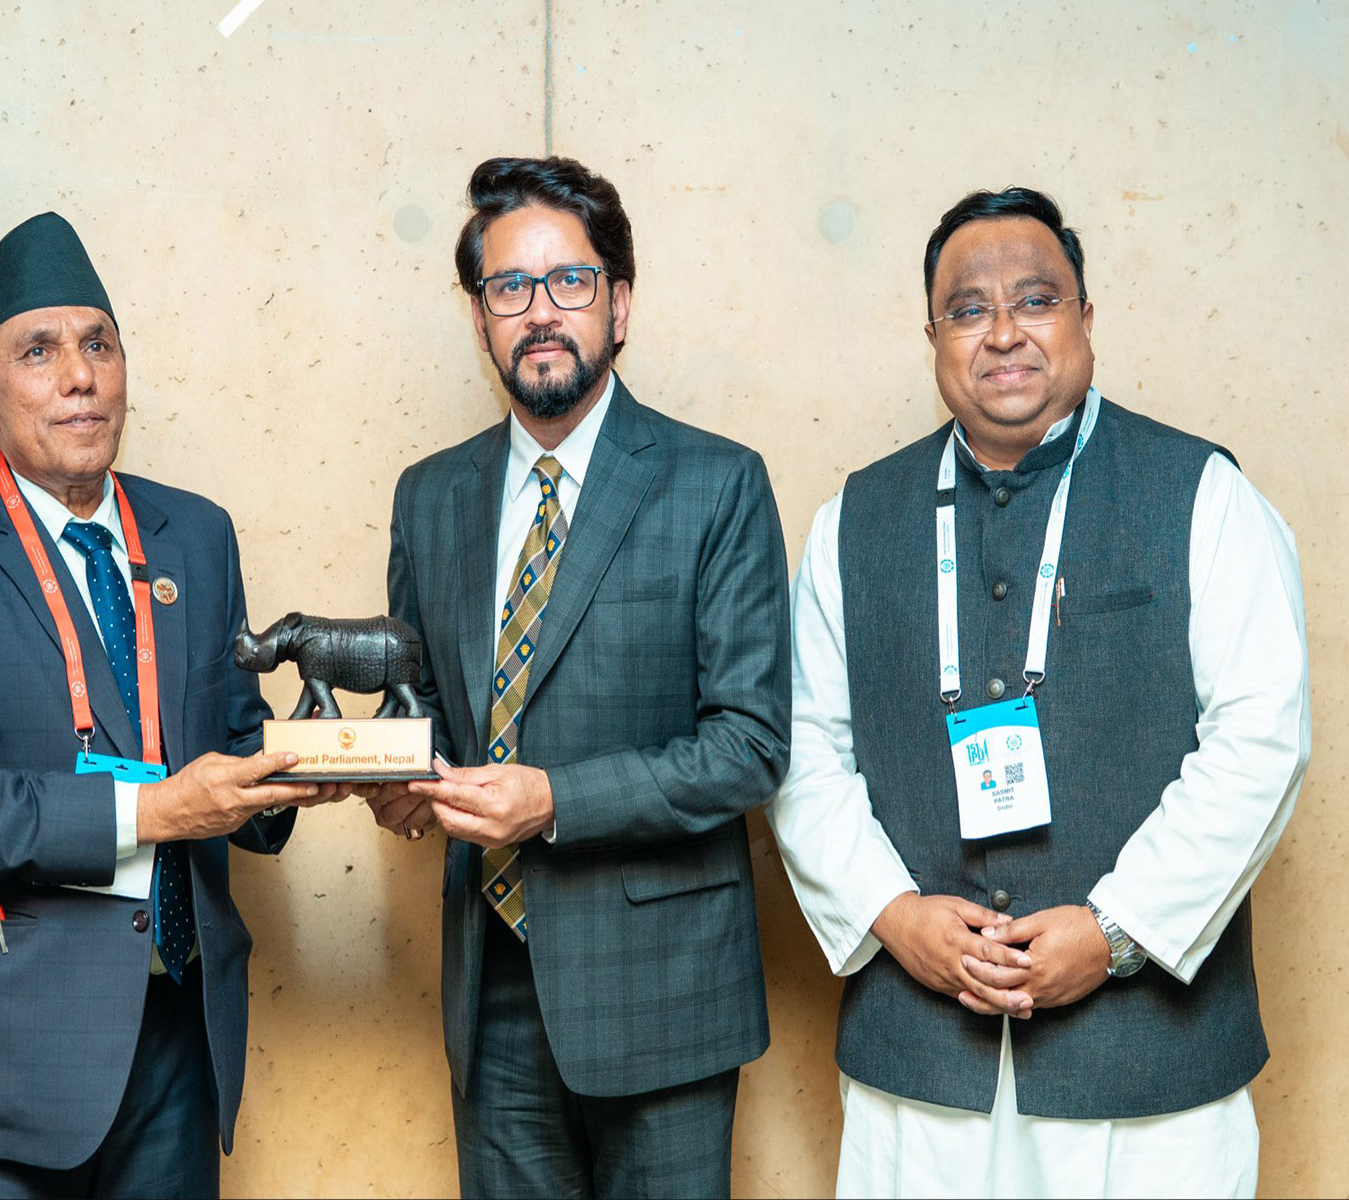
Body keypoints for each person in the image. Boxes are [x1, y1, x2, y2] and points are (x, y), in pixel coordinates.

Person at [767, 186, 1311, 1197]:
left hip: (1152, 1074)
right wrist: (890, 914)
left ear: (1086, 320)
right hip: (918, 1072)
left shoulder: (1200, 492)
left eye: (1037, 300)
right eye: (968, 310)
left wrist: (1114, 933)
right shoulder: (854, 518)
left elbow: (1260, 741)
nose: (1004, 333)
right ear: (932, 338)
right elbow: (800, 745)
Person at [0, 212, 342, 1198]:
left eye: (99, 344)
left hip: (172, 1057)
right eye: (40, 351)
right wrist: (159, 810)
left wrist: (304, 772)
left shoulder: (195, 536)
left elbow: (233, 752)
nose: (81, 375)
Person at [360, 156, 791, 1198]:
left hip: (665, 994)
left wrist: (551, 799)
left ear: (620, 303)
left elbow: (749, 745)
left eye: (570, 282)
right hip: (493, 992)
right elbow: (416, 703)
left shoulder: (716, 483)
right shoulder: (430, 497)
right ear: (478, 320)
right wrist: (392, 780)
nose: (539, 313)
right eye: (508, 288)